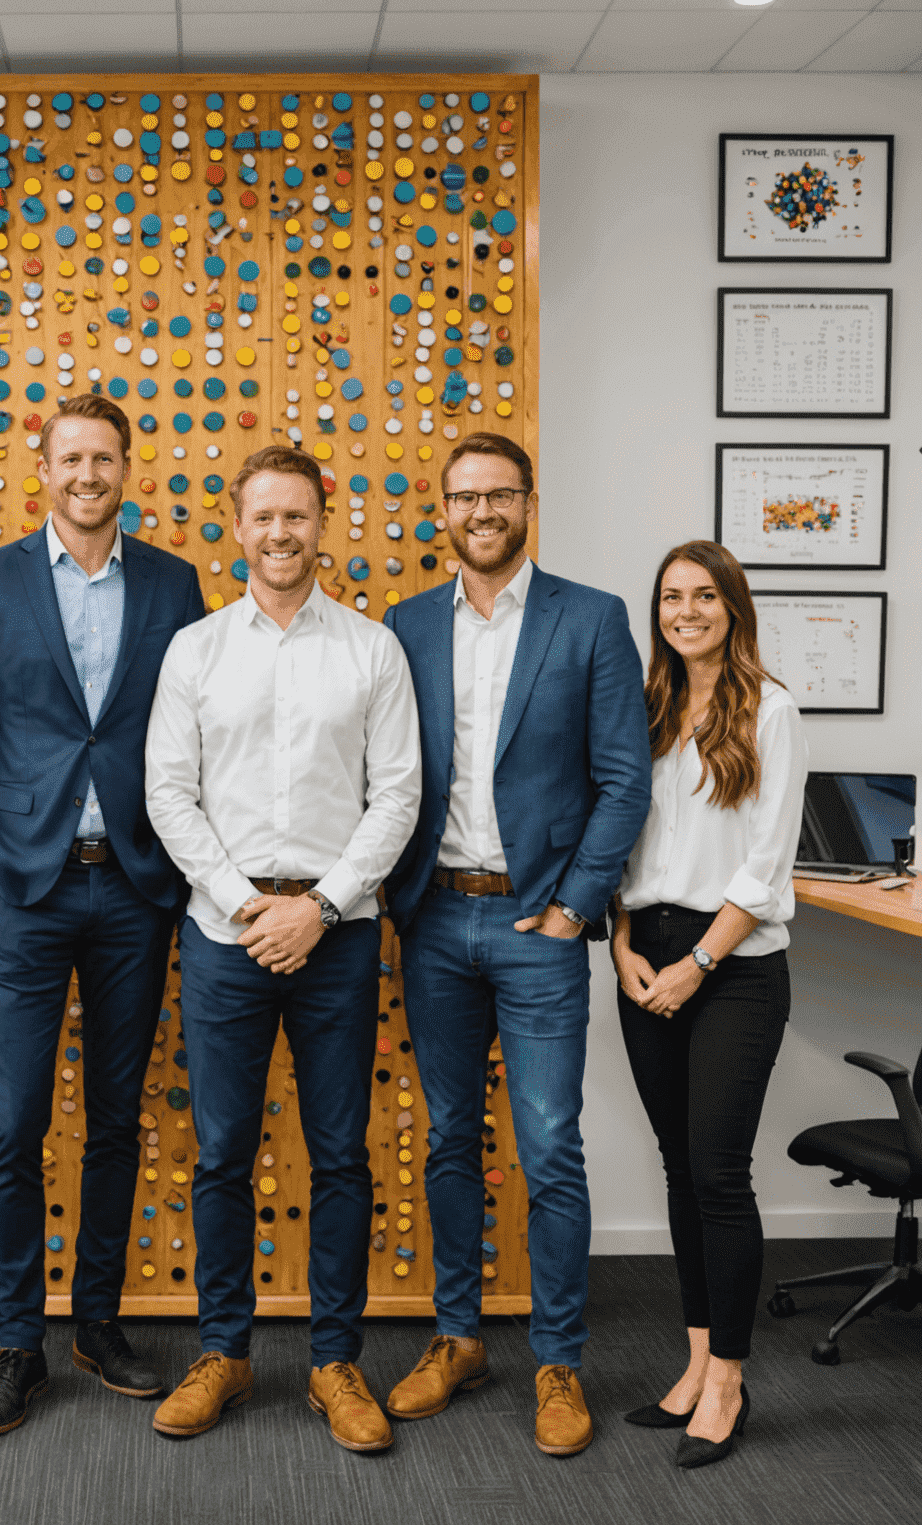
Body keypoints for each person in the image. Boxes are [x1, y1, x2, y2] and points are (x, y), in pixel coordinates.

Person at [0, 393, 205, 1436]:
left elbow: (200, 734)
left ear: (128, 469)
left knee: (120, 1119)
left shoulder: (175, 584)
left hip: (136, 887)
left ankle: (98, 1323)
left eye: (104, 458)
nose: (87, 473)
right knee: (14, 1124)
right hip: (27, 894)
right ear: (41, 466)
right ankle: (17, 1343)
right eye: (70, 457)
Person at [381, 432, 652, 1457]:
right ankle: (458, 1338)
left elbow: (626, 778)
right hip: (437, 918)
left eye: (499, 494)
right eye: (464, 496)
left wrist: (578, 907)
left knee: (549, 1146)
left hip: (541, 924)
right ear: (441, 510)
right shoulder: (404, 627)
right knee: (452, 1138)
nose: (482, 511)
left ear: (528, 502)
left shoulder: (591, 619)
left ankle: (559, 1360)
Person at [144, 445, 420, 1452]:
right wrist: (242, 903)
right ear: (237, 522)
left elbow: (397, 794)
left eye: (297, 517)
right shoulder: (195, 650)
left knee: (340, 1156)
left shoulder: (371, 650)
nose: (281, 534)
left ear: (322, 521)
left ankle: (335, 1361)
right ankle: (223, 1352)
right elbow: (168, 793)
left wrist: (325, 903)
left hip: (338, 939)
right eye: (264, 517)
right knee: (220, 1155)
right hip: (225, 939)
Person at [612, 540, 806, 1470]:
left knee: (720, 1173)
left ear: (733, 605)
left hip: (731, 962)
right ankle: (692, 1366)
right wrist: (619, 943)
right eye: (670, 597)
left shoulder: (771, 710)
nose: (684, 611)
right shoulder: (645, 708)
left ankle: (728, 1379)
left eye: (703, 596)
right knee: (679, 1170)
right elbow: (618, 833)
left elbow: (765, 868)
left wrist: (695, 960)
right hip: (644, 952)